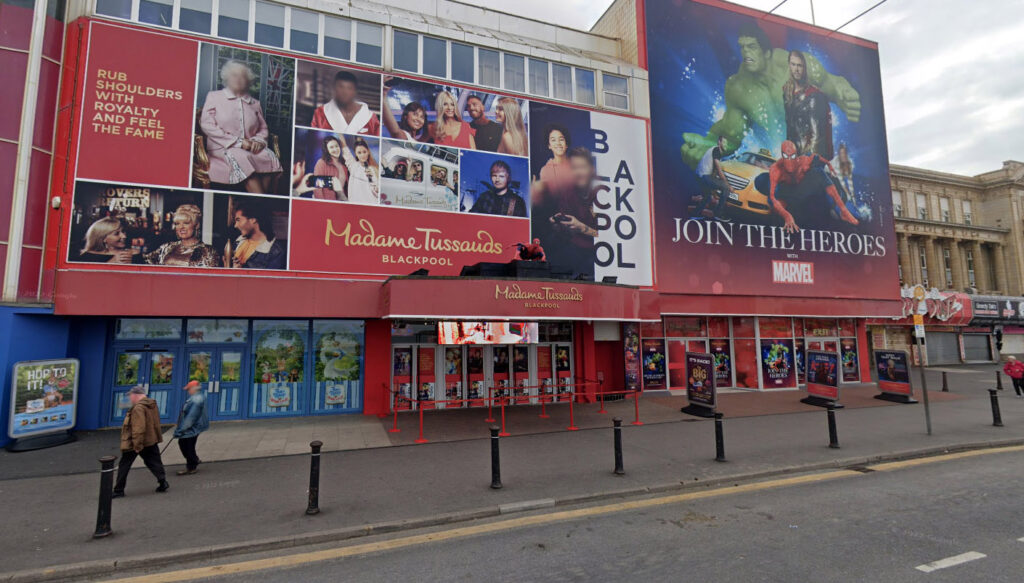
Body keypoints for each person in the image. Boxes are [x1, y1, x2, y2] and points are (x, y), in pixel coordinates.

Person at [680, 23, 861, 168]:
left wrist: (842, 94)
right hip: (776, 167)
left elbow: (830, 83)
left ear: (767, 52)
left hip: (813, 161)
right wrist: (709, 144)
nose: (745, 53)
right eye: (742, 47)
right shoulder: (738, 88)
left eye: (751, 47)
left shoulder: (796, 64)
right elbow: (732, 134)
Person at [199, 60, 282, 193]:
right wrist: (239, 142)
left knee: (268, 156)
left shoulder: (255, 103)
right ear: (226, 77)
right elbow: (207, 125)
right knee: (243, 159)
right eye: (234, 75)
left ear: (248, 81)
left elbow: (263, 128)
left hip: (251, 148)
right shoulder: (215, 97)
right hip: (223, 147)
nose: (238, 79)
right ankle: (262, 203)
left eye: (243, 76)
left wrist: (258, 141)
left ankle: (260, 203)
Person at [763, 140, 859, 233]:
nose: (789, 159)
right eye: (786, 156)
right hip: (787, 193)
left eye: (792, 156)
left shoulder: (804, 161)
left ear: (796, 155)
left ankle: (843, 211)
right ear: (782, 155)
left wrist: (829, 164)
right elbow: (772, 197)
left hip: (802, 189)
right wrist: (787, 216)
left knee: (819, 172)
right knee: (773, 201)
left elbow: (816, 157)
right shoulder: (775, 169)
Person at [533, 146, 599, 277]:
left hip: (598, 254)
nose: (578, 172)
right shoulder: (568, 194)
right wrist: (558, 227)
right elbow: (567, 233)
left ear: (592, 170)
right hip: (573, 249)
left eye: (582, 167)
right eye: (574, 168)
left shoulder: (602, 195)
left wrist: (582, 227)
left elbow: (608, 237)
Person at [112, 385, 168, 498]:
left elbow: (139, 428)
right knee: (154, 461)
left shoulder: (138, 408)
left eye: (130, 395)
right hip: (150, 439)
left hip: (136, 441)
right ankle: (163, 482)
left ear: (135, 395)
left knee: (124, 464)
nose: (129, 398)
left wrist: (137, 445)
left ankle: (119, 490)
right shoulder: (151, 404)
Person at [783, 50, 833, 159]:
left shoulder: (814, 96)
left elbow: (818, 137)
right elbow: (791, 128)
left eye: (800, 66)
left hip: (808, 160)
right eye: (793, 64)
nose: (796, 69)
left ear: (805, 68)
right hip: (792, 157)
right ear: (789, 65)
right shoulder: (787, 92)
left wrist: (807, 161)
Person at [144, 204, 221, 267]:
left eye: (186, 223)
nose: (181, 227)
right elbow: (144, 263)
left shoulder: (208, 252)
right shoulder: (166, 247)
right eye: (177, 224)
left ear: (196, 225)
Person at [310, 71, 380, 135]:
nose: (345, 92)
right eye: (341, 87)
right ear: (334, 88)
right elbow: (314, 140)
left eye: (349, 88)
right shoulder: (320, 113)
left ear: (355, 91)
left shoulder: (370, 118)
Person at [228, 200, 287, 269]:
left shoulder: (276, 252)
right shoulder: (239, 241)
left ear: (253, 219)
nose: (235, 225)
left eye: (238, 220)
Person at [693, 134, 734, 222]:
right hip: (705, 176)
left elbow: (715, 172)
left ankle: (695, 214)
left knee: (707, 197)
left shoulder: (713, 150)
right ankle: (718, 214)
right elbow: (719, 171)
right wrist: (728, 185)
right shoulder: (717, 150)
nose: (726, 145)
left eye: (727, 143)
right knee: (725, 187)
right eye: (724, 142)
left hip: (699, 176)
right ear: (719, 142)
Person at [173, 380, 209, 475]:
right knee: (188, 445)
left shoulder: (196, 400)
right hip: (195, 427)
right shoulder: (198, 397)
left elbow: (191, 417)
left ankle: (191, 466)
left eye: (189, 389)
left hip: (191, 428)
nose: (188, 391)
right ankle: (194, 460)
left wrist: (181, 430)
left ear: (194, 389)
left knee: (186, 445)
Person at [381, 76, 431, 142]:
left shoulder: (419, 141)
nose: (418, 119)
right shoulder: (403, 136)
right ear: (405, 116)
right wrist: (383, 94)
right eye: (415, 114)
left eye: (422, 117)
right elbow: (395, 131)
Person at [339, 137, 380, 204]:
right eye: (359, 152)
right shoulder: (353, 166)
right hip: (355, 204)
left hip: (371, 203)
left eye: (364, 152)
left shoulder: (374, 169)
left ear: (368, 152)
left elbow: (377, 191)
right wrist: (340, 132)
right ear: (355, 154)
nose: (362, 155)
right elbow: (345, 149)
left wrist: (373, 179)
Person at [312, 135, 349, 200]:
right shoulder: (322, 163)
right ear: (327, 150)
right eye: (331, 147)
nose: (335, 149)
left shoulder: (344, 165)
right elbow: (317, 188)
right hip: (327, 202)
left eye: (336, 146)